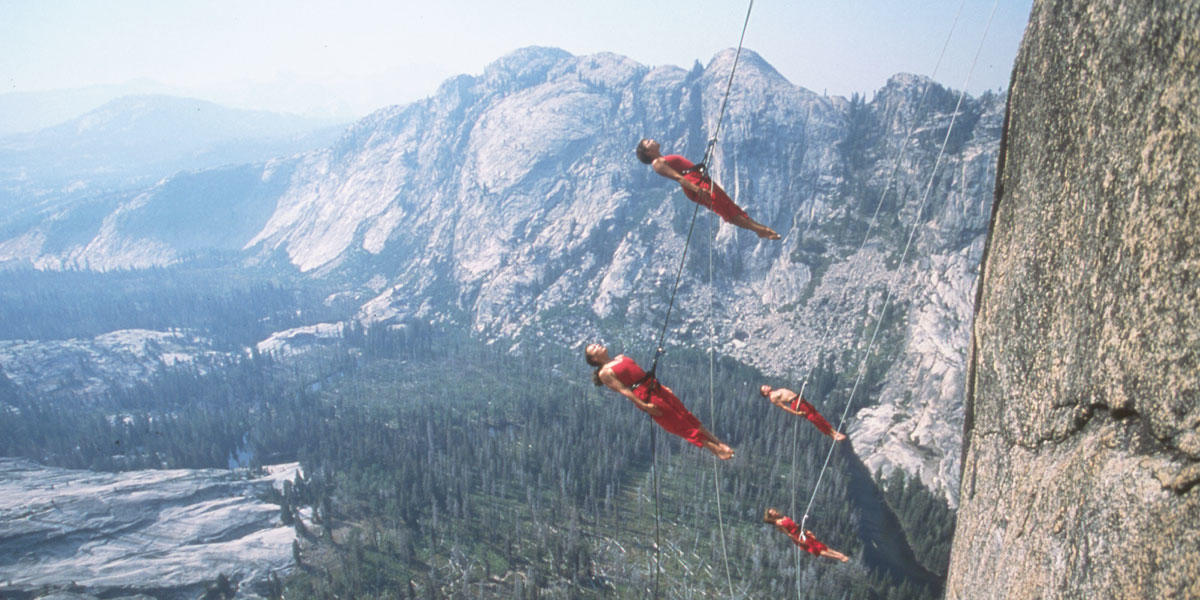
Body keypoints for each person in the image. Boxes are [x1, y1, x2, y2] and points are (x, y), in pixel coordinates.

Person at [584, 343, 734, 459]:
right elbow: (624, 390)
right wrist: (644, 406)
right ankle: (715, 449)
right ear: (594, 359)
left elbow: (640, 373)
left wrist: (663, 387)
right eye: (593, 348)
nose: (597, 345)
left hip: (655, 386)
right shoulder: (605, 373)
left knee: (686, 415)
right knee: (677, 422)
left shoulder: (621, 357)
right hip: (644, 395)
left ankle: (718, 442)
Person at [635, 138, 780, 240]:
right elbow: (679, 178)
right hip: (694, 184)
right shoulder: (657, 163)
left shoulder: (663, 158)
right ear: (647, 152)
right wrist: (697, 189)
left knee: (727, 204)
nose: (652, 140)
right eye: (648, 142)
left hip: (698, 179)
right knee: (724, 208)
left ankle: (759, 229)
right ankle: (760, 230)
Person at [760, 384, 846, 441]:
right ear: (765, 393)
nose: (767, 386)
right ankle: (833, 435)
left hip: (800, 400)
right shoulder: (773, 398)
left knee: (817, 415)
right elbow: (784, 407)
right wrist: (797, 413)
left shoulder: (776, 391)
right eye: (765, 388)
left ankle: (834, 432)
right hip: (796, 403)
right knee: (814, 418)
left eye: (765, 386)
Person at [763, 508, 850, 562]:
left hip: (801, 533)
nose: (775, 512)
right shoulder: (779, 523)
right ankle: (839, 558)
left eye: (774, 511)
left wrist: (806, 531)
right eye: (772, 513)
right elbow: (789, 534)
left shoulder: (783, 517)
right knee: (818, 551)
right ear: (771, 517)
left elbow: (795, 525)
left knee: (820, 546)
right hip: (798, 537)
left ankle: (840, 555)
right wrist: (799, 542)